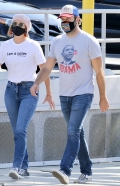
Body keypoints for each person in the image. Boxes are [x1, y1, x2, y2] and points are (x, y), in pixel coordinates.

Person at [30, 4, 109, 184]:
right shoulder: (57, 41)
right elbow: (47, 68)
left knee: (72, 131)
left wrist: (103, 97)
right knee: (77, 133)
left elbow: (99, 72)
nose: (64, 22)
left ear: (77, 19)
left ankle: (65, 170)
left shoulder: (89, 41)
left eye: (68, 19)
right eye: (62, 19)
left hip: (83, 94)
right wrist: (36, 83)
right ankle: (87, 171)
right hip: (64, 96)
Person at [0, 14, 55, 180]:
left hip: (29, 90)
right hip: (10, 91)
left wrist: (49, 92)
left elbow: (44, 70)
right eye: (14, 23)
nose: (16, 26)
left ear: (26, 28)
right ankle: (24, 168)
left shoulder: (33, 46)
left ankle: (16, 167)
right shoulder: (5, 46)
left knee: (20, 130)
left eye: (20, 24)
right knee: (17, 132)